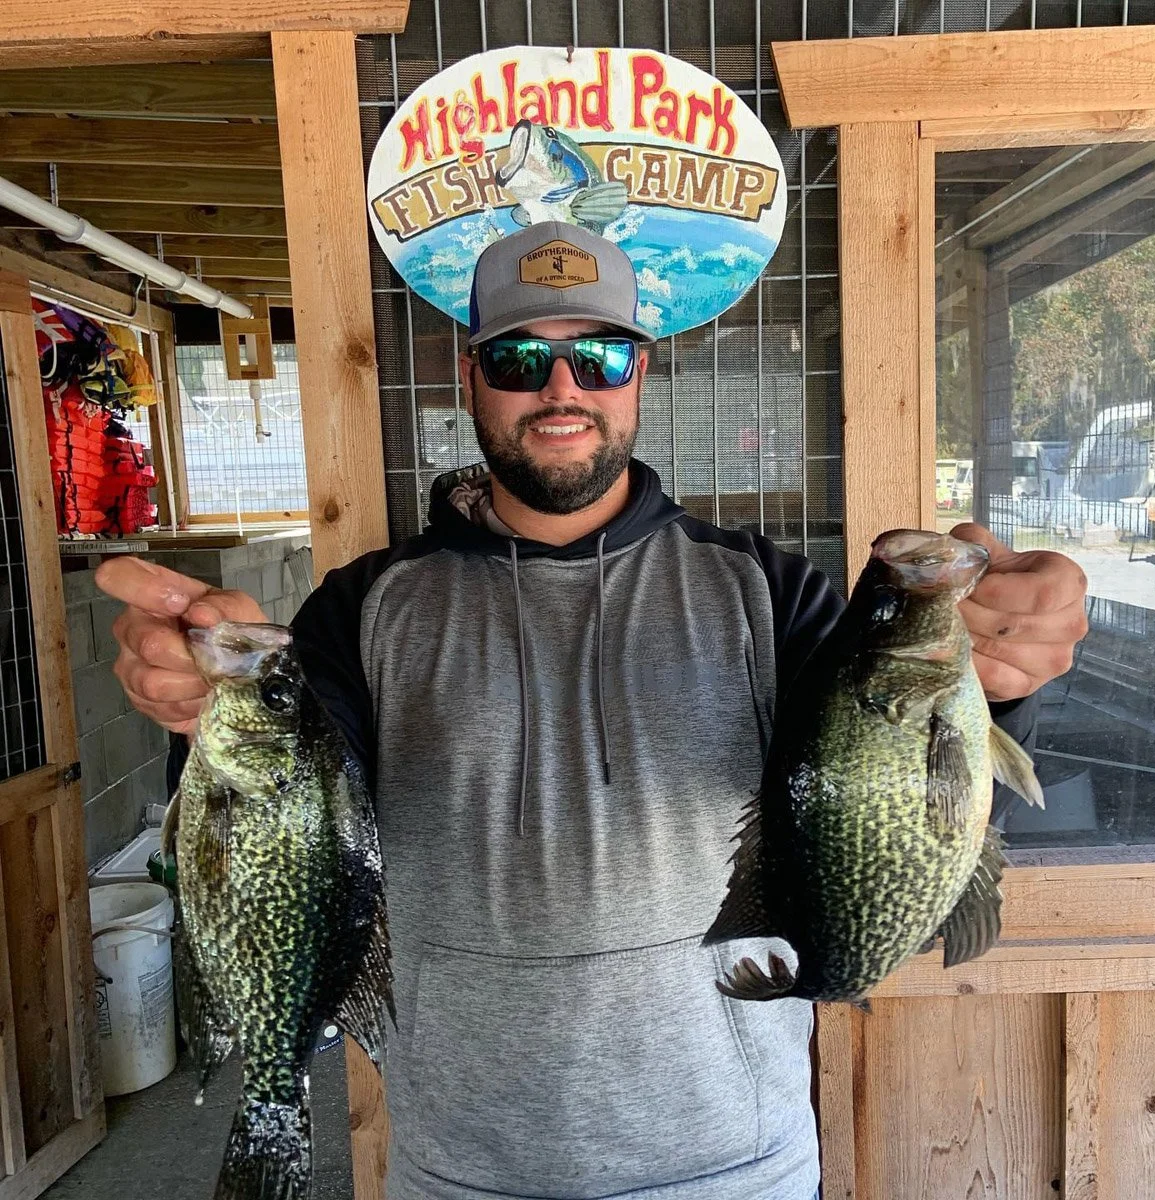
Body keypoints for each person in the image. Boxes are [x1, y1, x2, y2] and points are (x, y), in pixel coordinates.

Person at [97, 221, 1089, 1200]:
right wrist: (200, 706)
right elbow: (278, 830)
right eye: (520, 358)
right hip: (456, 1172)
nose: (561, 388)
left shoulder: (770, 592)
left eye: (600, 356)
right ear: (470, 375)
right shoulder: (362, 608)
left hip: (738, 1169)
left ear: (640, 373)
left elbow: (906, 824)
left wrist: (1005, 688)